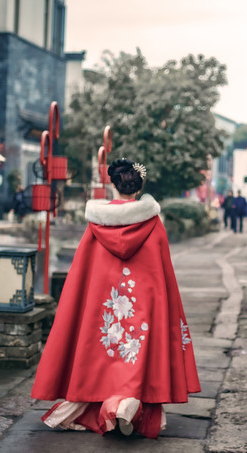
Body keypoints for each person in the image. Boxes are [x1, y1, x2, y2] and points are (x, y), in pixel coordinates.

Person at [31, 158, 200, 439]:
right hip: (144, 303)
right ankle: (127, 403)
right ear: (138, 186)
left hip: (106, 305)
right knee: (138, 352)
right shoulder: (153, 223)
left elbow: (82, 273)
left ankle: (111, 404)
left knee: (102, 354)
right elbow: (162, 271)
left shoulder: (98, 223)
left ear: (113, 184)